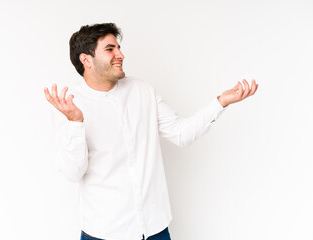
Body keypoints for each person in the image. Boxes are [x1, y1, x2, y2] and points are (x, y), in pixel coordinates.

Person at [44, 23, 258, 240]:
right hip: (105, 232)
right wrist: (75, 123)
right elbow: (72, 172)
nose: (120, 54)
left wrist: (220, 102)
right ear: (86, 60)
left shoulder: (142, 90)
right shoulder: (68, 103)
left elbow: (181, 133)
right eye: (110, 49)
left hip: (154, 228)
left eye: (119, 47)